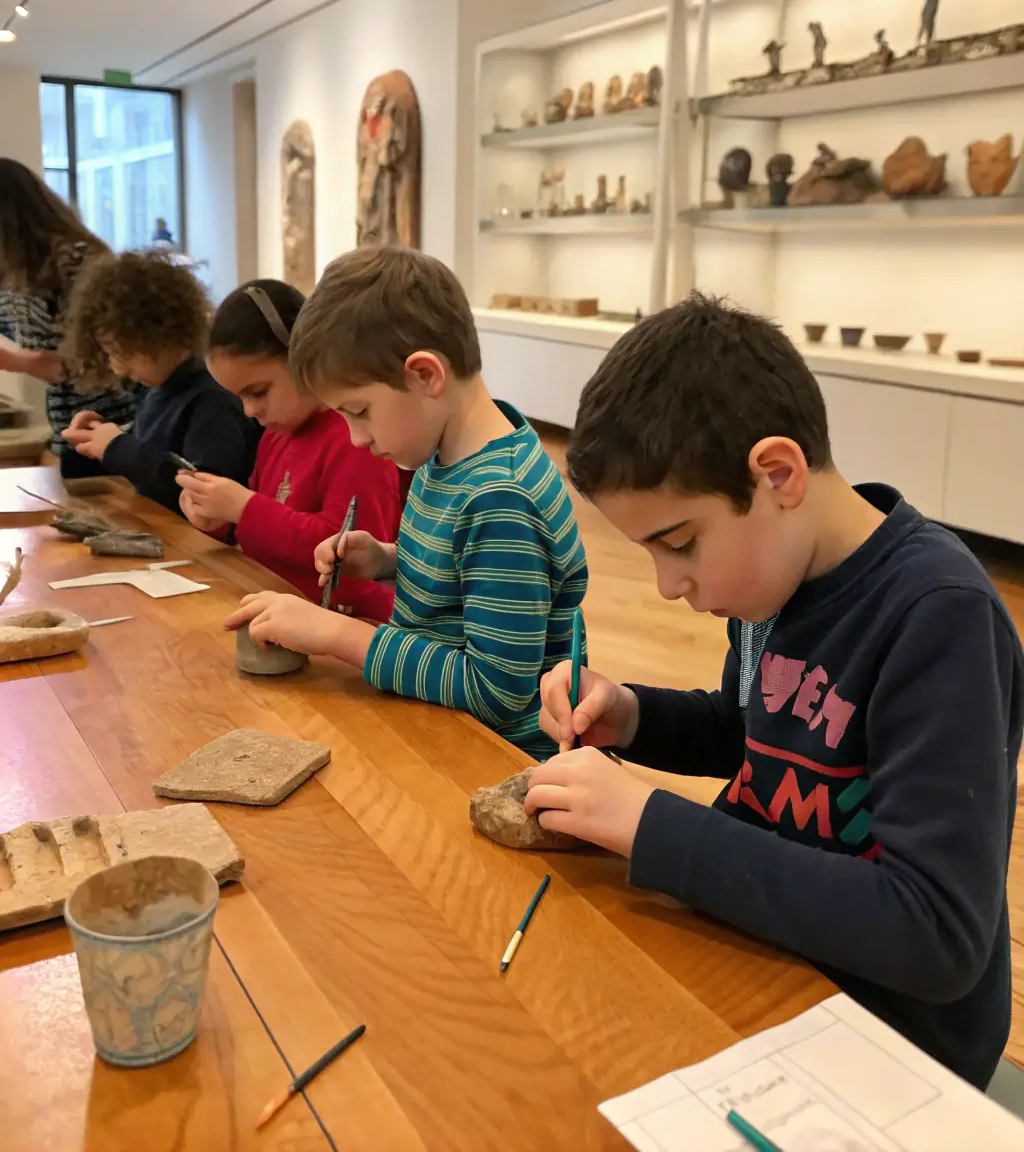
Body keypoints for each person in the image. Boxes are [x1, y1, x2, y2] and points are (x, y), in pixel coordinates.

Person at [523, 293, 1022, 1091]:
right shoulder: (773, 583)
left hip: (893, 1036)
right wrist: (632, 715)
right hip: (766, 950)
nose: (665, 585)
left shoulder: (940, 616)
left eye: (679, 543)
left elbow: (936, 932)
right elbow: (747, 727)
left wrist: (654, 825)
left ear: (778, 474)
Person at [223, 248, 588, 758]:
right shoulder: (446, 457)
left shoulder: (500, 498)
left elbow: (497, 692)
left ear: (424, 375)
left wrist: (341, 635)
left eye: (360, 411)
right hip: (442, 733)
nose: (354, 438)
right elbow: (465, 576)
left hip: (501, 759)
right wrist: (387, 560)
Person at [177, 280, 402, 623]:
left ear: (303, 359)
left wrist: (244, 507)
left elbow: (345, 550)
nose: (249, 411)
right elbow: (269, 531)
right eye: (240, 397)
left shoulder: (355, 440)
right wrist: (219, 519)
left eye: (258, 392)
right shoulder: (276, 435)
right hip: (280, 612)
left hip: (348, 626)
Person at [60, 250, 260, 514]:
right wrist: (93, 444)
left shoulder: (212, 399)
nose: (118, 367)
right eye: (111, 354)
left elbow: (203, 488)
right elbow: (145, 457)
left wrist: (118, 448)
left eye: (125, 353)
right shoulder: (157, 392)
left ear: (159, 333)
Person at [0, 158, 142, 476]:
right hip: (69, 431)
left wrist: (11, 360)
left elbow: (96, 364)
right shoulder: (12, 274)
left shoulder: (77, 261)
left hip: (112, 427)